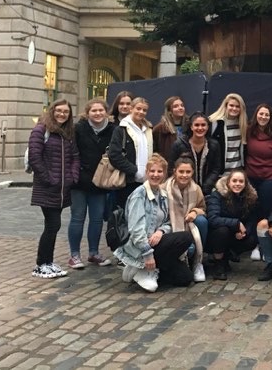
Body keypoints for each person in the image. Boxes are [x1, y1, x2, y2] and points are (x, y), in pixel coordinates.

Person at [115, 154, 194, 292]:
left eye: (159, 171)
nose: (155, 175)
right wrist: (147, 254)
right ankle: (144, 267)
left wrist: (161, 231)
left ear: (164, 174)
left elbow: (168, 221)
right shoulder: (139, 194)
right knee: (185, 237)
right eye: (152, 171)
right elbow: (136, 229)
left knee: (185, 278)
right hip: (140, 246)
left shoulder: (162, 194)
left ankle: (143, 269)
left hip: (156, 241)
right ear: (146, 172)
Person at [29, 100, 81, 279]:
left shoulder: (68, 132)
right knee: (52, 225)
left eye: (66, 112)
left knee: (53, 225)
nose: (62, 114)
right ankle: (41, 264)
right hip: (48, 187)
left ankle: (47, 262)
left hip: (62, 189)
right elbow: (35, 158)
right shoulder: (41, 130)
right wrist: (49, 179)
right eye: (58, 111)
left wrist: (72, 177)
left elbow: (75, 156)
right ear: (52, 111)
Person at [69, 98, 116, 269]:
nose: (97, 114)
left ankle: (93, 253)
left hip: (101, 182)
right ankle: (74, 255)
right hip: (80, 181)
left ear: (106, 112)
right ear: (87, 113)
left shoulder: (113, 129)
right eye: (94, 111)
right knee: (77, 218)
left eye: (101, 110)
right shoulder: (79, 128)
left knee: (96, 220)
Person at [206, 168, 260, 280]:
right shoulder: (217, 195)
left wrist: (244, 232)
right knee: (222, 231)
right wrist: (236, 224)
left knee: (251, 240)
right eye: (234, 181)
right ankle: (218, 263)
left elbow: (251, 219)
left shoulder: (249, 197)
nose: (237, 184)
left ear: (245, 184)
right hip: (215, 234)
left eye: (241, 181)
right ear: (228, 182)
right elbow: (213, 219)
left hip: (235, 233)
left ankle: (227, 256)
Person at [164, 157, 208, 283]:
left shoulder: (196, 189)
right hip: (170, 226)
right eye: (181, 171)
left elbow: (202, 208)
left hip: (189, 226)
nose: (184, 175)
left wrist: (194, 212)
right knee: (189, 249)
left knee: (202, 221)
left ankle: (198, 263)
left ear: (192, 173)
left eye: (188, 172)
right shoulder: (164, 188)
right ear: (174, 172)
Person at [108, 97, 153, 208]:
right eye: (138, 108)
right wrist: (133, 170)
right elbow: (114, 155)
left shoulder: (148, 129)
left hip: (146, 181)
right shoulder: (121, 129)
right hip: (128, 181)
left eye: (144, 110)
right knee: (125, 215)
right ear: (131, 109)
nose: (141, 112)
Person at [246, 103, 272, 219]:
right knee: (249, 211)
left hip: (269, 179)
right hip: (250, 179)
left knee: (266, 211)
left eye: (267, 115)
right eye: (261, 114)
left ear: (270, 118)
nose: (263, 117)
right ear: (256, 115)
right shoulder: (248, 132)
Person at [168, 112, 222, 195]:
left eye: (203, 125)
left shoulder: (214, 145)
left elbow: (216, 168)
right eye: (196, 125)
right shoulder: (178, 144)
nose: (200, 128)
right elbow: (172, 168)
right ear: (191, 127)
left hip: (207, 191)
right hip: (183, 190)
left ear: (208, 127)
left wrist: (206, 187)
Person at [209, 93, 248, 173]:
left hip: (238, 171)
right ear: (226, 106)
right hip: (219, 172)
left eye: (237, 106)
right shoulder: (214, 123)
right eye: (231, 105)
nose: (234, 108)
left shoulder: (243, 125)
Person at [152, 96, 188, 162]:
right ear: (169, 111)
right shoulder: (160, 129)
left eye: (182, 105)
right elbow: (155, 151)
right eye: (176, 106)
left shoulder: (189, 126)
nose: (180, 108)